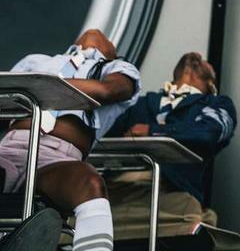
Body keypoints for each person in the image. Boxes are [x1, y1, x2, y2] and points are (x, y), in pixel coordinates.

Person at [0, 30, 141, 251]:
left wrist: (41, 86)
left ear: (114, 53)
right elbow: (4, 95)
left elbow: (105, 91)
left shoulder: (116, 69)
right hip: (9, 148)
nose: (95, 32)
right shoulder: (37, 60)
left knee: (90, 184)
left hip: (56, 159)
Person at [105, 52, 239, 245]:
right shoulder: (139, 104)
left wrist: (154, 131)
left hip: (171, 194)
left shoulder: (216, 104)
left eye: (204, 62)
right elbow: (102, 130)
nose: (197, 57)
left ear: (212, 84)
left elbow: (208, 132)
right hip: (118, 190)